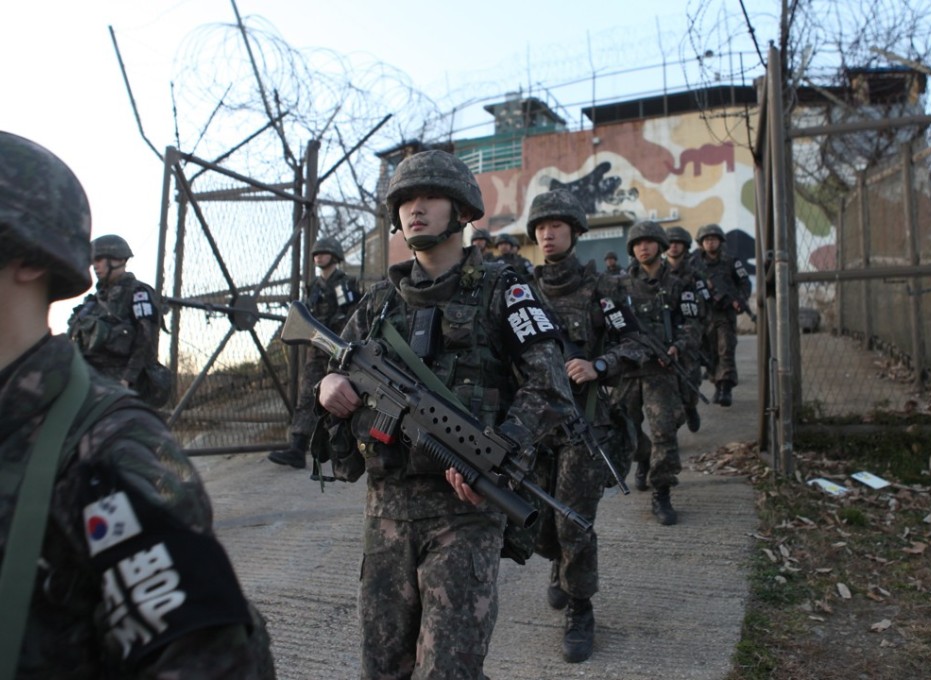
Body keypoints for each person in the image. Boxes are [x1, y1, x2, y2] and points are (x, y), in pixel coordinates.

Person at [0, 131, 275, 678]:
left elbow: (144, 343)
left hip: (117, 390)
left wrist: (122, 392)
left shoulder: (110, 453)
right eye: (97, 260)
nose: (101, 267)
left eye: (106, 260)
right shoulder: (91, 305)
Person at [314, 150, 574, 679]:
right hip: (385, 514)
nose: (416, 208)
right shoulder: (377, 304)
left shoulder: (506, 291)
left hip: (465, 512)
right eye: (406, 199)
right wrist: (328, 384)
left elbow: (549, 386)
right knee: (382, 667)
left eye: (429, 196)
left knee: (449, 671)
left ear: (461, 210)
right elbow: (330, 367)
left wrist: (502, 452)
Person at [527, 189, 647, 663]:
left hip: (583, 426)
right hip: (532, 427)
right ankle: (556, 562)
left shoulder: (602, 291)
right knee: (537, 524)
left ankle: (580, 607)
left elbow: (637, 343)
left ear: (575, 232)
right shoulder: (521, 290)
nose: (547, 233)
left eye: (557, 226)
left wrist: (601, 363)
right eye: (540, 227)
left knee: (575, 520)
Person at [614, 221, 698, 525]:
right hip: (627, 370)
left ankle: (661, 490)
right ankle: (643, 459)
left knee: (664, 432)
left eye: (648, 242)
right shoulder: (619, 286)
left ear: (660, 246)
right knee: (624, 432)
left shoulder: (678, 285)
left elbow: (691, 324)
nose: (642, 248)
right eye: (637, 244)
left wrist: (677, 346)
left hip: (660, 371)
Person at [268, 235, 359, 469]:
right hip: (315, 350)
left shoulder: (344, 283)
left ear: (335, 255)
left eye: (323, 252)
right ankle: (297, 448)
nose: (318, 256)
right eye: (316, 253)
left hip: (337, 349)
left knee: (341, 396)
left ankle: (343, 448)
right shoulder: (313, 287)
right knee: (307, 397)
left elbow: (351, 316)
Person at [68, 234, 163, 402]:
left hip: (120, 384)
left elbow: (146, 339)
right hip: (89, 380)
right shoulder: (94, 301)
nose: (95, 266)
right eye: (93, 261)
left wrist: (127, 379)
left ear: (117, 259)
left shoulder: (138, 293)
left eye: (99, 259)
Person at [690, 224, 752, 407]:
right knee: (709, 353)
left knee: (726, 349)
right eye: (706, 240)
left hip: (725, 313)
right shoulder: (694, 264)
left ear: (720, 241)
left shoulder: (732, 261)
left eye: (713, 239)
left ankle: (725, 387)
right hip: (703, 315)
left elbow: (744, 283)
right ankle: (717, 382)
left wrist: (740, 300)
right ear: (701, 243)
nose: (710, 243)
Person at [664, 226, 709, 431]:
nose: (673, 247)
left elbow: (702, 304)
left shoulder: (694, 275)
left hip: (688, 331)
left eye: (678, 243)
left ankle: (690, 407)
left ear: (685, 246)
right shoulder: (657, 272)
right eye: (670, 243)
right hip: (662, 334)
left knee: (690, 380)